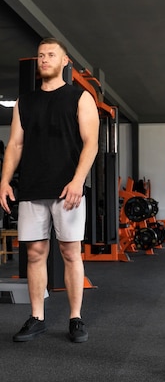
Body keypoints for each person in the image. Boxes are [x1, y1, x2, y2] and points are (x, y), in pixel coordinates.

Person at [0, 37, 100, 343]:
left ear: (64, 62)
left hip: (67, 189)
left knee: (70, 252)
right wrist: (4, 181)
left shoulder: (80, 98)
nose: (44, 59)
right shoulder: (24, 102)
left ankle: (75, 318)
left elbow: (91, 143)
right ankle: (37, 317)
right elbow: (15, 144)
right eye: (41, 55)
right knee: (35, 254)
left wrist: (78, 180)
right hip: (31, 187)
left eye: (51, 55)